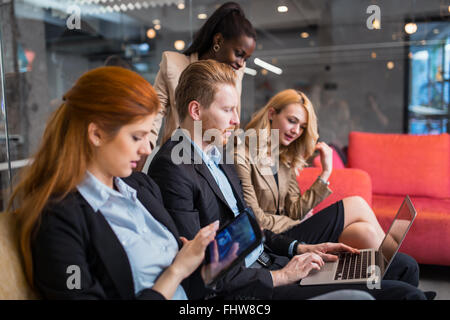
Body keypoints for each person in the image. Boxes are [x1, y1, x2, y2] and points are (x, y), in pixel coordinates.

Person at [147, 59, 427, 300]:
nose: (236, 120)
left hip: (270, 259)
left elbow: (252, 227)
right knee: (406, 293)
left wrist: (301, 247)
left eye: (236, 109)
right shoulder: (173, 167)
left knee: (404, 266)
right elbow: (204, 274)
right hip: (256, 285)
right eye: (227, 110)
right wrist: (282, 276)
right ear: (196, 111)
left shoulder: (217, 154)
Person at [6, 66, 220, 300]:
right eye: (136, 137)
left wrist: (209, 266)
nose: (148, 148)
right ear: (96, 134)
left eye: (148, 136)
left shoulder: (140, 186)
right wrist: (176, 272)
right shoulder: (57, 220)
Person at [234, 89, 395, 252]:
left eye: (302, 127)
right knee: (357, 204)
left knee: (364, 233)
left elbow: (295, 210)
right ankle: (398, 263)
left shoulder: (282, 156)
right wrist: (298, 221)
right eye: (291, 121)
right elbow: (255, 220)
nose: (296, 131)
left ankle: (394, 269)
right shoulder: (242, 156)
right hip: (273, 240)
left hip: (290, 230)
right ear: (271, 114)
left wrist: (325, 173)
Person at [149, 1, 256, 152]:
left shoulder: (236, 71)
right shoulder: (173, 65)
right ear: (218, 40)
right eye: (239, 54)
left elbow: (233, 121)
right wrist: (142, 152)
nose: (241, 63)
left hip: (219, 160)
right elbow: (154, 114)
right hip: (180, 158)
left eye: (245, 59)